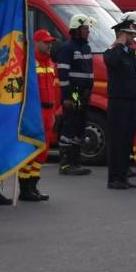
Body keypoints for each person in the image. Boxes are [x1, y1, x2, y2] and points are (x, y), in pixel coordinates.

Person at [18, 29, 59, 202]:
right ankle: (25, 188)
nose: (49, 45)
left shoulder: (50, 64)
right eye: (46, 42)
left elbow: (55, 90)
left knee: (42, 152)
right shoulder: (28, 63)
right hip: (34, 112)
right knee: (30, 150)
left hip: (49, 112)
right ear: (36, 42)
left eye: (50, 42)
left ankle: (33, 186)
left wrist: (55, 112)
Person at [103, 18, 136, 191]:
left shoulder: (130, 53)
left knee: (127, 141)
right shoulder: (113, 51)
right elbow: (111, 61)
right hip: (118, 102)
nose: (132, 36)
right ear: (121, 34)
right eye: (128, 33)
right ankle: (114, 178)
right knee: (117, 141)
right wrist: (118, 43)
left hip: (132, 101)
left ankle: (123, 175)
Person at [54, 14, 95, 176]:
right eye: (86, 29)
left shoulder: (86, 47)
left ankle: (75, 161)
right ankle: (65, 164)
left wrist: (87, 92)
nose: (88, 32)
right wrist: (67, 97)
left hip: (84, 94)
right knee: (70, 125)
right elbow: (63, 76)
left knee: (80, 126)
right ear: (77, 30)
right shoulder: (67, 48)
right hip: (74, 93)